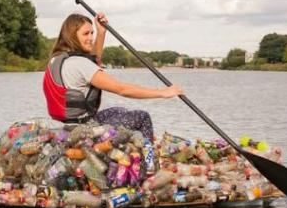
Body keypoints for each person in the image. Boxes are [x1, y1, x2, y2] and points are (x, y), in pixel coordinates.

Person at [42, 12, 184, 141]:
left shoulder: (57, 59)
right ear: (72, 35)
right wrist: (162, 93)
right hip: (84, 130)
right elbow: (122, 89)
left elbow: (92, 62)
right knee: (143, 117)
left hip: (71, 124)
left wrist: (101, 32)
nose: (91, 38)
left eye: (92, 33)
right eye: (86, 34)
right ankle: (148, 163)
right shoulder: (80, 64)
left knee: (119, 111)